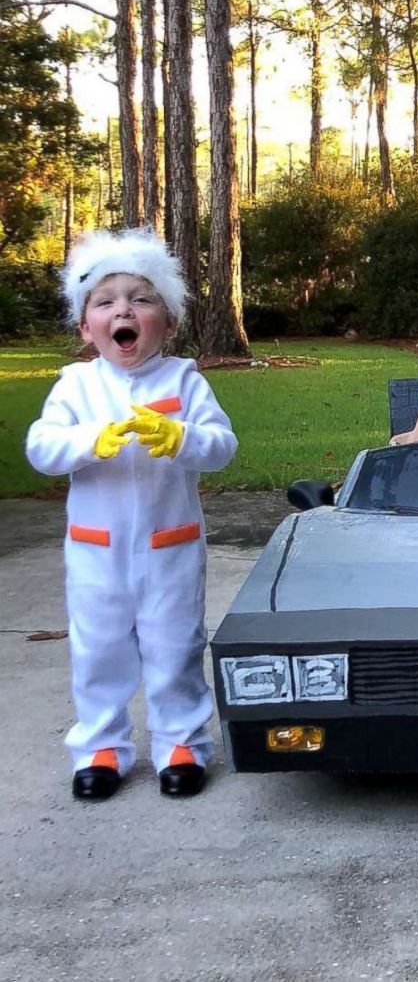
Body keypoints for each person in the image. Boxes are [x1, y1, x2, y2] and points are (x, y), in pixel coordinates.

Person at [25, 228, 238, 801]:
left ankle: (182, 744)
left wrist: (181, 435)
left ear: (167, 323)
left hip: (170, 544)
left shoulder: (182, 380)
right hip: (97, 548)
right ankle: (100, 747)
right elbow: (42, 449)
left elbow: (222, 446)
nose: (124, 310)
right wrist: (91, 440)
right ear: (85, 327)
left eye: (141, 299)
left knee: (175, 646)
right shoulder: (76, 387)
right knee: (99, 647)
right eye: (106, 301)